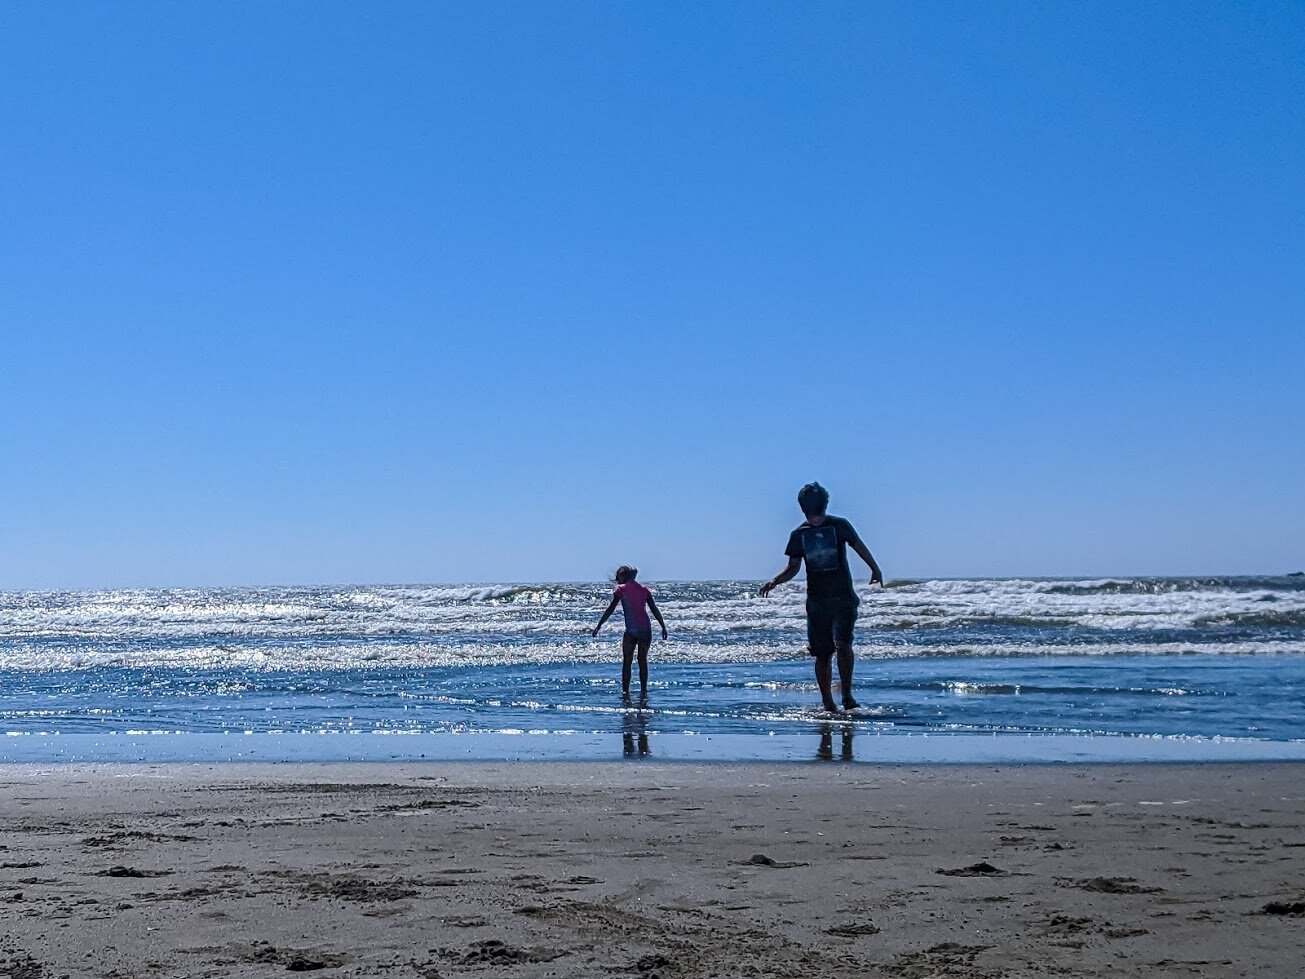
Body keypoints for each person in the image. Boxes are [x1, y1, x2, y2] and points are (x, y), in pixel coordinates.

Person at [760, 482, 883, 712]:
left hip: (843, 597)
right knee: (822, 653)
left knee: (844, 645)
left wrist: (874, 568)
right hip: (817, 602)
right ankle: (828, 701)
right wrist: (775, 580)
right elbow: (793, 567)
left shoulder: (839, 526)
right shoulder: (799, 535)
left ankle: (847, 696)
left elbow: (859, 547)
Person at [592, 565, 667, 701]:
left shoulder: (621, 589)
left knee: (627, 661)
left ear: (622, 576)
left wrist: (599, 626)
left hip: (632, 631)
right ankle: (643, 691)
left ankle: (626, 692)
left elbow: (610, 609)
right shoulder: (644, 590)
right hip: (646, 629)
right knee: (642, 661)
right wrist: (663, 626)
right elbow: (654, 609)